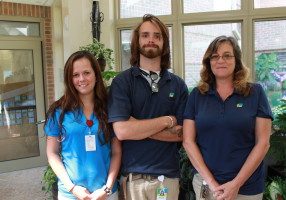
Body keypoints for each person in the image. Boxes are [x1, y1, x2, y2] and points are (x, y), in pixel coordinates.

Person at [108, 14, 188, 200]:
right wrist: (167, 120)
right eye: (145, 35)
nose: (151, 39)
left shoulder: (178, 85)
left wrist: (137, 127)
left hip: (167, 178)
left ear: (164, 43)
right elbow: (121, 131)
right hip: (133, 178)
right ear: (137, 41)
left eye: (157, 36)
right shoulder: (122, 83)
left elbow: (183, 133)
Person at [183, 36, 273, 200]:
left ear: (236, 60)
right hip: (207, 186)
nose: (220, 60)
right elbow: (188, 141)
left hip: (247, 186)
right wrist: (211, 183)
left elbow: (263, 143)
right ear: (209, 62)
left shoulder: (255, 93)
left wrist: (236, 183)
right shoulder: (197, 95)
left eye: (227, 55)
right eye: (215, 56)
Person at [44, 51, 121, 200]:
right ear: (69, 78)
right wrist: (72, 188)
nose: (82, 79)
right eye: (75, 75)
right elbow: (52, 153)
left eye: (87, 73)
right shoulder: (58, 111)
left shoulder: (110, 109)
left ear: (96, 75)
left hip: (106, 193)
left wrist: (107, 188)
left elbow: (117, 152)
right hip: (71, 194)